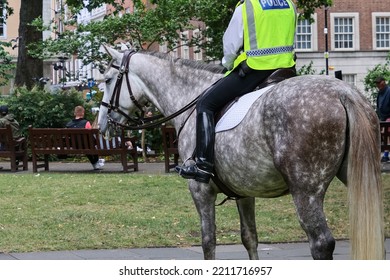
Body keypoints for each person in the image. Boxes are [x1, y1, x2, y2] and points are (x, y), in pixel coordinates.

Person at [176, 0, 297, 183]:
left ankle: (203, 165)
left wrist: (228, 64)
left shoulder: (247, 7)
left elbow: (230, 46)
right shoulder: (289, 5)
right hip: (286, 70)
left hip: (256, 70)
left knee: (206, 104)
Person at [66, 106, 105, 170]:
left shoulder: (69, 124)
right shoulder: (86, 123)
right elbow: (91, 135)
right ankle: (96, 163)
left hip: (74, 146)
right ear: (83, 113)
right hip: (86, 145)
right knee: (91, 147)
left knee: (88, 148)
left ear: (74, 113)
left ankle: (96, 164)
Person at [0, 105, 22, 170]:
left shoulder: (1, 121)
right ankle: (16, 162)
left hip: (4, 147)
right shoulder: (15, 121)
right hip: (15, 146)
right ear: (8, 112)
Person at [375, 76, 390, 162]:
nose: (377, 85)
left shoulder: (388, 91)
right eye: (377, 83)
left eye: (379, 83)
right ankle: (385, 154)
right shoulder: (380, 92)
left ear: (383, 82)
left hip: (388, 117)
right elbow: (378, 105)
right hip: (382, 118)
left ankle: (386, 155)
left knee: (387, 135)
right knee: (383, 136)